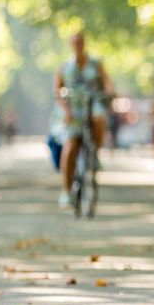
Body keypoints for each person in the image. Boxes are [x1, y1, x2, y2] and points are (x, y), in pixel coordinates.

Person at [54, 31, 114, 208]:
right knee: (70, 148)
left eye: (80, 42)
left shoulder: (96, 64)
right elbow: (57, 92)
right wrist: (65, 111)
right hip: (72, 108)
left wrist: (111, 92)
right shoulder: (64, 66)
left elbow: (107, 82)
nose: (77, 45)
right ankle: (66, 192)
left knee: (99, 117)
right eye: (74, 43)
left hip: (92, 102)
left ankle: (94, 152)